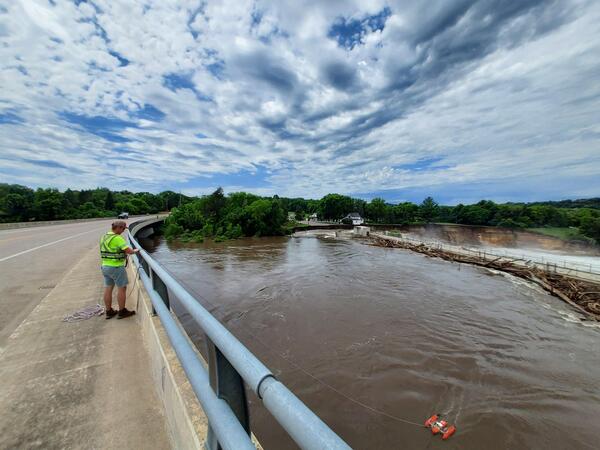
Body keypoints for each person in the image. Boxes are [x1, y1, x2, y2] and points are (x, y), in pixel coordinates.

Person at [100, 220, 139, 319]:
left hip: (105, 266)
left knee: (108, 288)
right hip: (116, 267)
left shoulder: (104, 237)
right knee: (122, 288)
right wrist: (135, 250)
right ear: (119, 227)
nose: (122, 231)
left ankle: (109, 311)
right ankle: (122, 311)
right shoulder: (118, 238)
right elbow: (128, 251)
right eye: (122, 229)